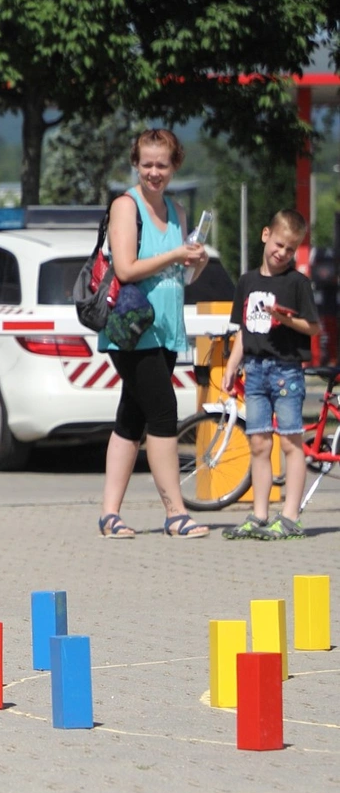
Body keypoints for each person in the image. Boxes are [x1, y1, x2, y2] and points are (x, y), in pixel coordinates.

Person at [96, 128, 210, 540]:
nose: (154, 172)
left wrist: (195, 260)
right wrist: (176, 254)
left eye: (162, 164)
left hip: (165, 330)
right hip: (132, 330)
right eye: (147, 164)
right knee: (163, 413)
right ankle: (175, 513)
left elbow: (183, 277)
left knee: (132, 417)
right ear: (136, 164)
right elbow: (126, 268)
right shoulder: (126, 207)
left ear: (175, 165)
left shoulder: (177, 211)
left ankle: (109, 515)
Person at [220, 209, 319, 541]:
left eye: (290, 249)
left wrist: (285, 319)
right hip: (254, 370)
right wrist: (232, 366)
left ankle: (290, 517)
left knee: (290, 441)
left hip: (286, 371)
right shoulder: (247, 281)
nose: (282, 253)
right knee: (259, 443)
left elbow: (313, 327)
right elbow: (244, 330)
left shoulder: (297, 283)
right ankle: (259, 515)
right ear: (265, 235)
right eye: (279, 244)